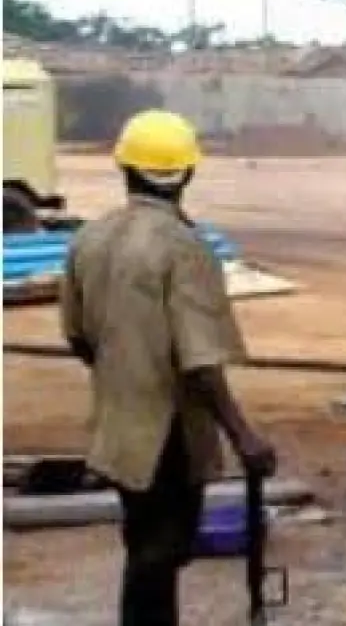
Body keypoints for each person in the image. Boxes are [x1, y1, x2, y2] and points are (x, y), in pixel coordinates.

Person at [59, 109, 277, 626]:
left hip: (118, 429)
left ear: (124, 168)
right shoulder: (185, 248)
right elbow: (201, 360)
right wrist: (243, 435)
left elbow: (77, 336)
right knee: (160, 553)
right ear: (189, 173)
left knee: (144, 547)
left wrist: (124, 375)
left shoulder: (88, 239)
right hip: (167, 434)